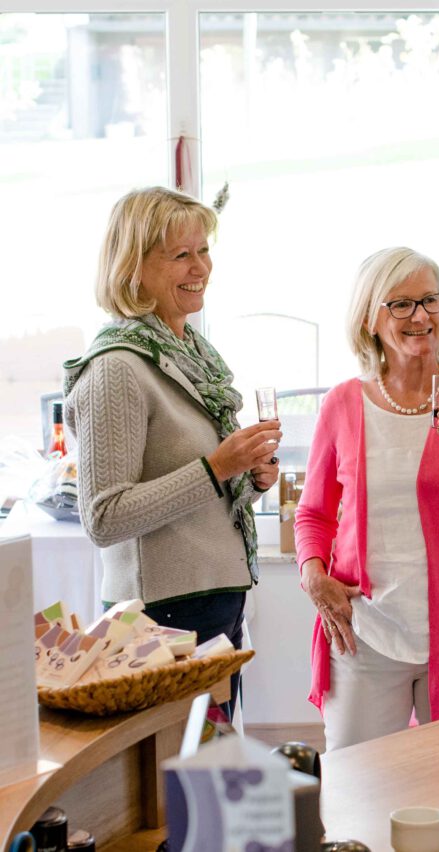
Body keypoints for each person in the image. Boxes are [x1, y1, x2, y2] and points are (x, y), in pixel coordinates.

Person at [294, 247, 439, 752]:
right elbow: (313, 514)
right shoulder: (342, 404)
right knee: (357, 792)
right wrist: (314, 576)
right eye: (400, 304)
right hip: (365, 633)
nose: (420, 316)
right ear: (370, 320)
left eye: (430, 300)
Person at [64, 186, 281, 716]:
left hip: (214, 604)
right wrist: (216, 467)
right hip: (160, 619)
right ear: (132, 268)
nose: (200, 266)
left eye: (203, 250)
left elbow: (196, 504)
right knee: (178, 785)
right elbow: (104, 516)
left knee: (211, 775)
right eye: (180, 254)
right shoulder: (116, 368)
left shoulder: (190, 354)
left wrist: (245, 480)